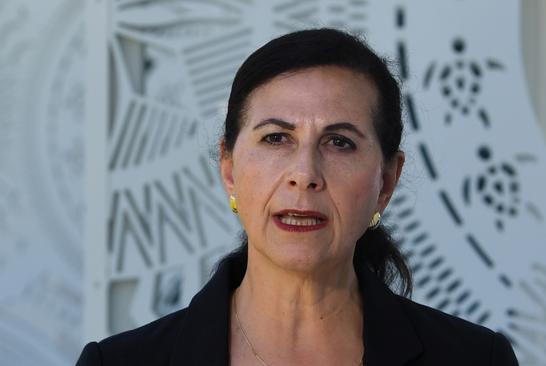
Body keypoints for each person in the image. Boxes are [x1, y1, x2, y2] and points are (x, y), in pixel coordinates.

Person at [76, 28, 519, 366]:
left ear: (386, 181)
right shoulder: (117, 363)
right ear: (229, 169)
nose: (305, 175)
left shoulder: (477, 359)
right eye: (275, 139)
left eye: (340, 142)